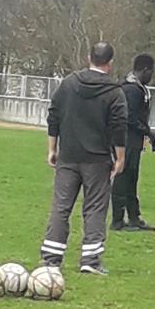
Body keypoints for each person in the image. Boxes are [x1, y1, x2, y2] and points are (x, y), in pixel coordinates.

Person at [40, 42, 126, 276]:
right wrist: (120, 157)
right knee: (95, 208)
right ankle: (90, 260)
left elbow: (53, 115)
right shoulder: (114, 91)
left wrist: (52, 148)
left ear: (89, 57)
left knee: (61, 206)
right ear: (110, 63)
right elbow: (119, 127)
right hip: (97, 159)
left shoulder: (69, 83)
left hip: (68, 155)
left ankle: (51, 258)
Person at [111, 53, 155, 232]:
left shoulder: (137, 89)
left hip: (133, 141)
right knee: (123, 177)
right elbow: (129, 118)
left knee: (132, 178)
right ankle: (117, 220)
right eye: (151, 72)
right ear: (145, 70)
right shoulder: (132, 90)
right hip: (125, 140)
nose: (151, 76)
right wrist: (149, 132)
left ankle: (134, 217)